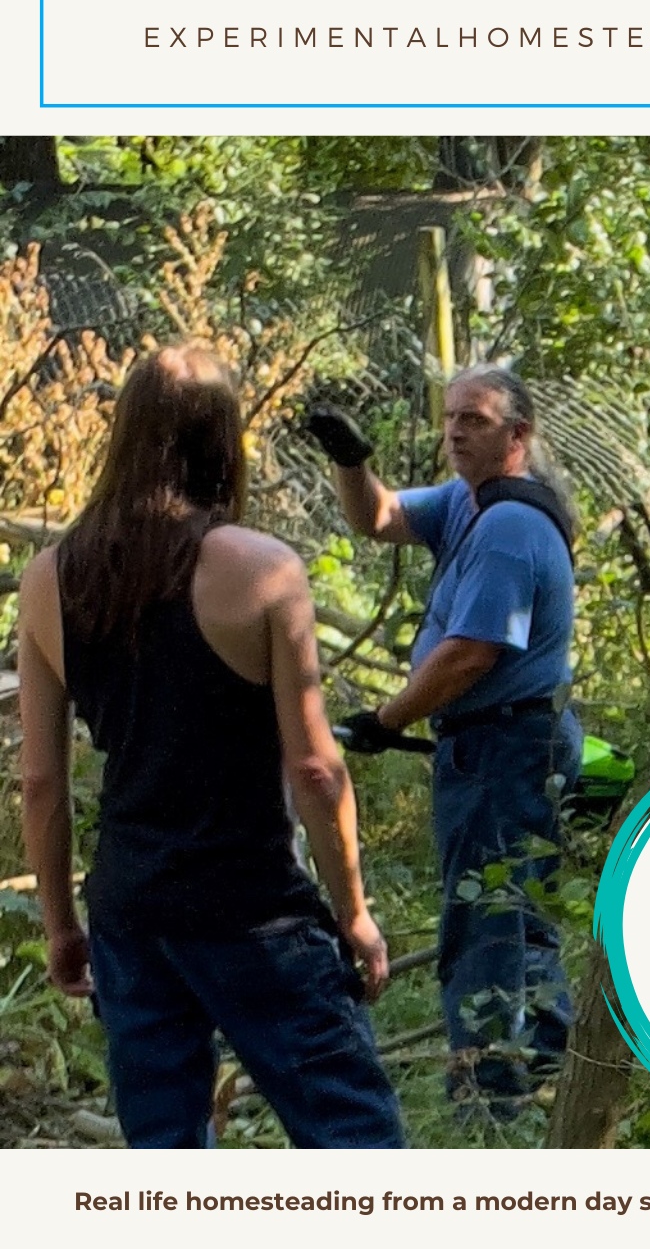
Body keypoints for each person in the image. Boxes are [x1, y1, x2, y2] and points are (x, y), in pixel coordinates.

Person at [18, 344, 404, 1149]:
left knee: (164, 1153)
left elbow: (43, 782)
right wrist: (354, 913)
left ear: (125, 434)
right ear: (224, 441)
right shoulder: (263, 570)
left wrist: (61, 924)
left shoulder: (50, 578)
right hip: (254, 907)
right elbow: (314, 768)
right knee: (353, 1139)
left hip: (132, 910)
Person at [309, 365, 581, 1112]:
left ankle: (488, 1094)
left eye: (476, 420)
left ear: (517, 436)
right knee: (519, 910)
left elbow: (471, 653)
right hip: (503, 743)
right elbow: (380, 518)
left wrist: (386, 719)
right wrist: (350, 461)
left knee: (484, 915)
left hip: (506, 748)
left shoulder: (510, 528)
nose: (456, 430)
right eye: (452, 417)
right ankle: (556, 1057)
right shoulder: (468, 503)